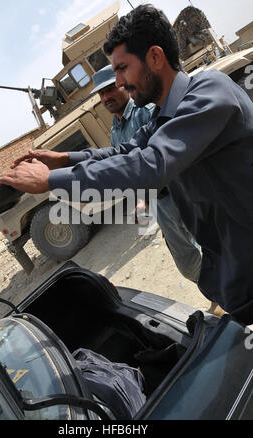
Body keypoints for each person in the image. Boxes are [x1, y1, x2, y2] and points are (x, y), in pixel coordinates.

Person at [0, 5, 253, 325]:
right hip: (236, 272)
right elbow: (124, 152)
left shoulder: (209, 92)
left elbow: (147, 165)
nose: (119, 81)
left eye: (122, 68)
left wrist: (52, 180)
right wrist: (63, 159)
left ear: (155, 58)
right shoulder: (163, 117)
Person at [92, 64, 202, 284]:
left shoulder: (145, 109)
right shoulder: (116, 128)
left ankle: (230, 297)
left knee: (213, 246)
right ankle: (218, 296)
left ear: (122, 84)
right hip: (160, 204)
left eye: (110, 89)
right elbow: (127, 168)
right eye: (101, 94)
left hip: (180, 191)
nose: (106, 97)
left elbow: (159, 158)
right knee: (187, 263)